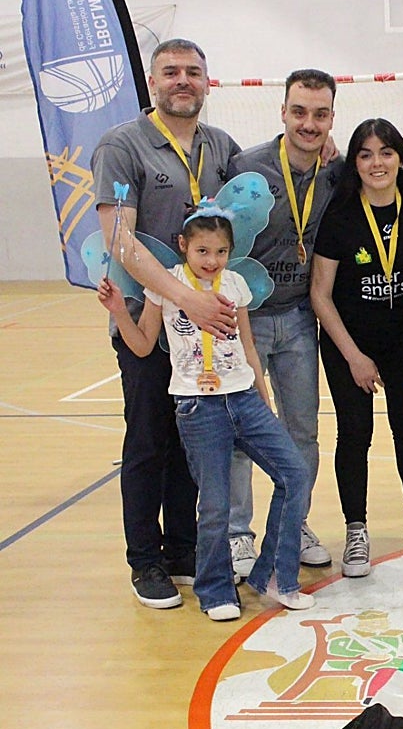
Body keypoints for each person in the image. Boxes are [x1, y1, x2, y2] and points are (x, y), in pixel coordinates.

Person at [98, 204, 314, 620]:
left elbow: (249, 347)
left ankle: (275, 574)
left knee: (294, 473)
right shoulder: (166, 286)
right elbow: (143, 345)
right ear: (183, 246)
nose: (211, 261)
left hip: (244, 400)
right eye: (202, 251)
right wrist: (119, 312)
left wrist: (262, 398)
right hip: (199, 407)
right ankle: (214, 590)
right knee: (214, 504)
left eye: (219, 251)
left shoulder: (235, 285)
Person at [92, 38, 241, 609]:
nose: (183, 80)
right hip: (147, 326)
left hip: (203, 333)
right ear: (153, 82)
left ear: (207, 82)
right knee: (150, 442)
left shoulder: (220, 146)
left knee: (192, 441)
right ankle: (145, 562)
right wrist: (185, 296)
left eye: (194, 72)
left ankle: (182, 548)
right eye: (171, 72)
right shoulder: (123, 145)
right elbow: (120, 240)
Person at [310, 118, 403, 578]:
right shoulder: (341, 213)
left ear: (401, 158)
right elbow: (320, 294)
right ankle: (356, 528)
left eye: (386, 152)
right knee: (355, 433)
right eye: (367, 154)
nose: (377, 162)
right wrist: (353, 356)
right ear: (355, 162)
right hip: (348, 342)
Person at [225, 69, 341, 578]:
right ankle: (237, 536)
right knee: (240, 430)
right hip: (244, 318)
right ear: (283, 112)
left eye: (320, 114)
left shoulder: (335, 173)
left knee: (302, 431)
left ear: (331, 118)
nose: (309, 124)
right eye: (300, 112)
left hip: (298, 317)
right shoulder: (245, 167)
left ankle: (293, 522)